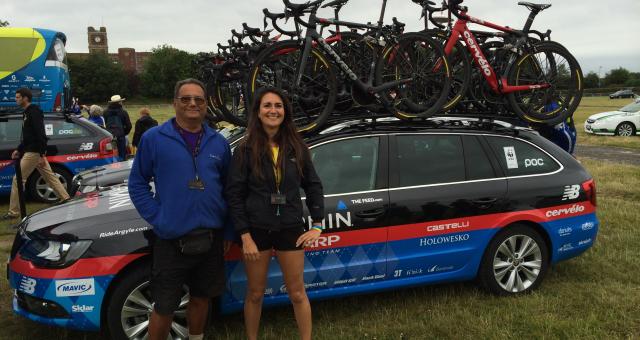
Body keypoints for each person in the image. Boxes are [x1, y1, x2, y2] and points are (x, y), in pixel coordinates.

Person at [128, 78, 233, 340]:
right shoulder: (154, 138)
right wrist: (157, 217)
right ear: (175, 103)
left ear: (206, 104)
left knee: (201, 298)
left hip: (211, 238)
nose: (192, 104)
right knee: (164, 306)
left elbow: (230, 190)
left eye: (198, 99)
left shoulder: (218, 142)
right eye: (185, 99)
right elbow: (137, 183)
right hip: (171, 238)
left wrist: (228, 231)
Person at [225, 87, 325, 340]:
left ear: (285, 112)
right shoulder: (245, 149)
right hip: (256, 230)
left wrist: (317, 224)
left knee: (297, 292)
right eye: (267, 105)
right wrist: (245, 236)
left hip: (290, 227)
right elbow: (234, 195)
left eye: (278, 106)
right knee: (256, 293)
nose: (273, 110)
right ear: (258, 113)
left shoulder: (297, 147)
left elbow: (313, 185)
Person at [2, 88, 70, 220]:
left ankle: (13, 212)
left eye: (17, 97)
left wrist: (41, 154)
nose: (15, 99)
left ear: (25, 98)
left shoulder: (34, 112)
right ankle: (66, 199)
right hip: (31, 150)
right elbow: (28, 136)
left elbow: (40, 134)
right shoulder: (26, 112)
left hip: (33, 152)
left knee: (18, 180)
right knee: (50, 177)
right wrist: (19, 149)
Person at [103, 94, 132, 161]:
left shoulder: (105, 112)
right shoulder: (123, 112)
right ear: (119, 102)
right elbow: (129, 126)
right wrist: (124, 133)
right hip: (121, 136)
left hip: (109, 136)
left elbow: (103, 124)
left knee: (111, 155)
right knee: (122, 155)